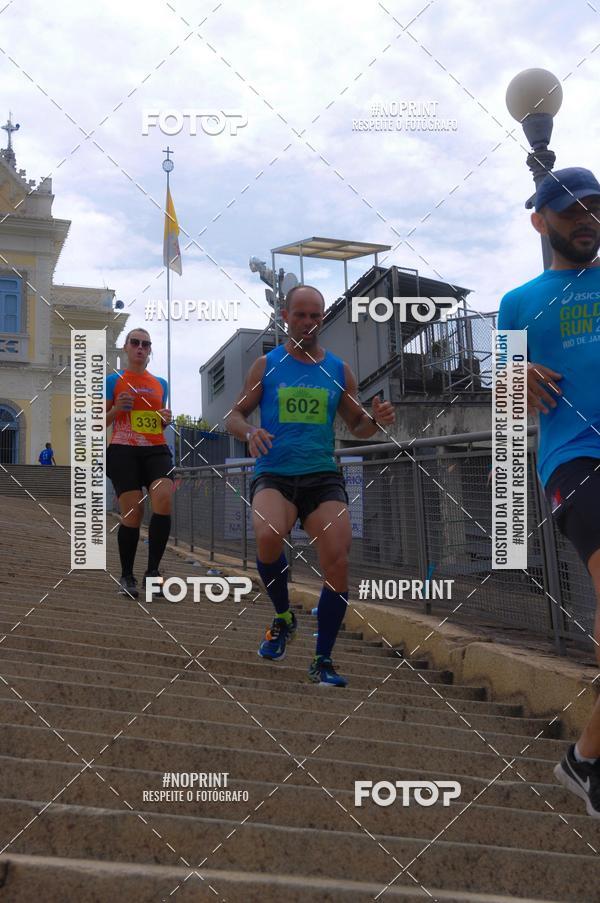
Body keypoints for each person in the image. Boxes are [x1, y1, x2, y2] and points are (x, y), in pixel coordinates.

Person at [226, 285, 395, 686]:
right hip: (275, 473)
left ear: (322, 318)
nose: (307, 322)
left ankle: (323, 659)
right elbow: (234, 414)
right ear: (285, 316)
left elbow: (358, 426)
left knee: (338, 557)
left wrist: (378, 420)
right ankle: (284, 616)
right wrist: (249, 432)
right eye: (300, 315)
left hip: (321, 476)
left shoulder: (338, 370)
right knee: (267, 534)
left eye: (315, 315)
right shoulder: (266, 364)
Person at [498, 166, 600, 818]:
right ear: (541, 222)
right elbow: (505, 403)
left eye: (593, 206)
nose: (585, 218)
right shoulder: (519, 301)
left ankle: (584, 756)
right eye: (568, 211)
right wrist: (515, 372)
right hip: (576, 461)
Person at [105, 327, 174, 600]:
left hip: (156, 448)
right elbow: (98, 422)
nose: (140, 348)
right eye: (135, 342)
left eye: (146, 344)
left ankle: (153, 573)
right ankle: (127, 575)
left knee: (164, 499)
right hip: (123, 450)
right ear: (125, 347)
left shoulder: (161, 383)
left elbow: (159, 419)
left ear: (149, 350)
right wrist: (115, 410)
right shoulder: (113, 380)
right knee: (133, 512)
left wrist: (165, 418)